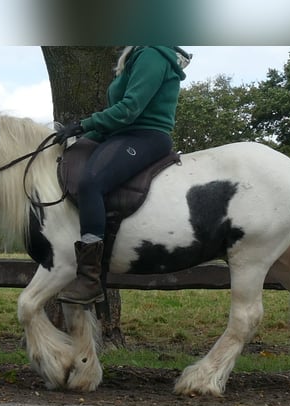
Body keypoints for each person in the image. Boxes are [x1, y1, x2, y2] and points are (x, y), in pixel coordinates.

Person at [53, 45, 191, 305]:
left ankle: (90, 278)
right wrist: (79, 136)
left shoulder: (152, 53)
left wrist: (84, 124)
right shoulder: (136, 53)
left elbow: (129, 109)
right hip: (122, 135)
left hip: (146, 136)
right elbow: (116, 122)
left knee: (91, 183)